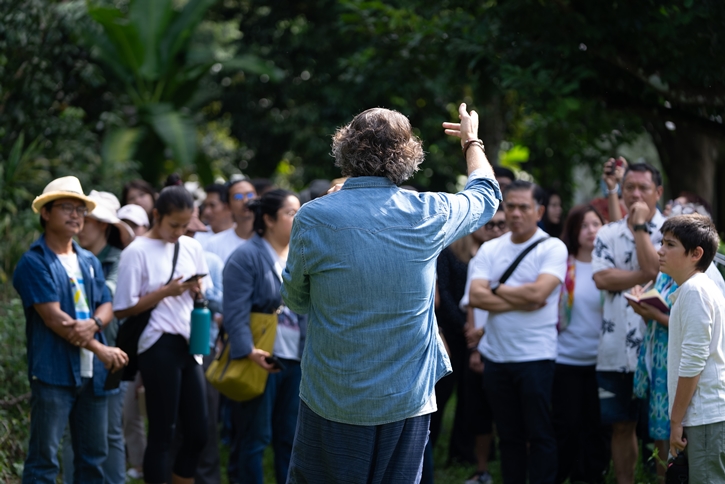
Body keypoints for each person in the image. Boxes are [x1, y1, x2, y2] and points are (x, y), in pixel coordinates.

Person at [281, 104, 500, 483]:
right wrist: (471, 141)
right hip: (406, 398)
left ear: (345, 147)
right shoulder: (428, 213)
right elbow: (486, 194)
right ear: (409, 154)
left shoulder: (313, 217)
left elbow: (296, 299)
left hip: (333, 396)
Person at [13, 176, 129, 484]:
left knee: (94, 460)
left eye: (80, 209)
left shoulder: (89, 260)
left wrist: (95, 323)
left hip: (93, 377)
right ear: (46, 214)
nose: (76, 215)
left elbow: (106, 303)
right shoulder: (33, 263)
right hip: (53, 373)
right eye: (67, 207)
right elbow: (54, 319)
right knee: (44, 462)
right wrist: (102, 348)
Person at [469, 180, 568, 484]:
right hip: (496, 358)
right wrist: (522, 297)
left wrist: (495, 288)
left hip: (536, 357)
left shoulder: (552, 247)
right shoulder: (489, 248)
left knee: (539, 434)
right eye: (509, 206)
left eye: (523, 207)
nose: (514, 213)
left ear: (539, 211)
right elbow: (475, 296)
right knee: (508, 435)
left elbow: (539, 294)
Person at [113, 186, 211, 484]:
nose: (179, 231)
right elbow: (122, 309)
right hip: (156, 344)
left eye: (185, 225)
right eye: (174, 225)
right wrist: (164, 293)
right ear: (157, 215)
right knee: (162, 433)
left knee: (198, 432)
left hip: (188, 341)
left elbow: (203, 289)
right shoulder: (136, 251)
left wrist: (196, 291)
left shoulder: (191, 247)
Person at [223, 189, 306, 484]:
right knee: (254, 437)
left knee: (290, 438)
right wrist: (248, 351)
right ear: (269, 219)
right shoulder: (246, 256)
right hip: (260, 358)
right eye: (291, 213)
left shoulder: (299, 253)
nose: (299, 218)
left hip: (296, 359)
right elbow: (234, 312)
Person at [592, 162, 665, 484]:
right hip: (614, 349)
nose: (635, 194)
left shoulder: (674, 231)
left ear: (658, 193)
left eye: (643, 188)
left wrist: (639, 229)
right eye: (630, 187)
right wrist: (645, 276)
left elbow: (658, 273)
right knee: (620, 424)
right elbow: (601, 278)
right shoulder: (607, 232)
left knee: (664, 428)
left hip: (659, 349)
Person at [63, 190, 134, 484]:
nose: (78, 222)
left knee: (110, 432)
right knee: (73, 431)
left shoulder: (117, 260)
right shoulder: (72, 259)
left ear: (103, 225)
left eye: (86, 218)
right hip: (75, 353)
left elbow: (106, 299)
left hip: (109, 357)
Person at [660, 214, 725, 482]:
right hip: (701, 415)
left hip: (705, 415)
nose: (660, 251)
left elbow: (693, 363)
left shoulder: (695, 291)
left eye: (670, 245)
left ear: (696, 253)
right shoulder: (692, 289)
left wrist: (676, 421)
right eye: (662, 243)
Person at [552, 205, 608, 484]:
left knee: (597, 427)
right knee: (568, 426)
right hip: (566, 360)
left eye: (596, 224)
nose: (590, 231)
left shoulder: (611, 266)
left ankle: (591, 476)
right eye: (584, 225)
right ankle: (563, 474)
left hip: (602, 361)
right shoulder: (561, 264)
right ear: (574, 231)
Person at [460, 206, 509, 484]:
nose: (496, 230)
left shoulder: (515, 256)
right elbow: (471, 304)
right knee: (480, 413)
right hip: (481, 347)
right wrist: (474, 348)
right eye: (490, 225)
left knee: (513, 414)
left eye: (501, 225)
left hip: (510, 347)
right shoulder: (479, 259)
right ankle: (482, 470)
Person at [204, 179, 257, 262]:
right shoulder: (214, 244)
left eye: (250, 195)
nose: (246, 201)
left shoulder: (271, 239)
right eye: (238, 197)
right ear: (228, 206)